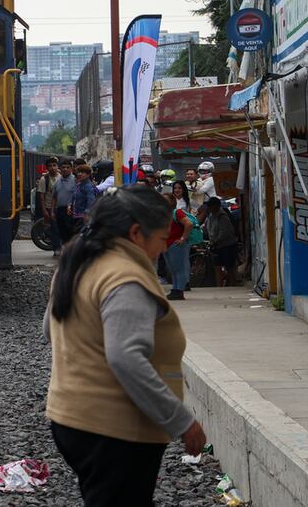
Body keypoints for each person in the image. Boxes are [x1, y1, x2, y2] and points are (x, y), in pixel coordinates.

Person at [46, 185, 206, 505]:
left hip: (72, 418)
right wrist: (182, 422)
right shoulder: (125, 279)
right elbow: (126, 359)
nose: (163, 249)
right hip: (114, 429)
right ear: (136, 233)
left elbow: (50, 329)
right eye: (162, 238)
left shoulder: (79, 261)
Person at [164, 184, 195, 301]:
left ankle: (179, 290)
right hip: (167, 244)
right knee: (173, 269)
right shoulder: (164, 214)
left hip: (176, 244)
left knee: (179, 269)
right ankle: (175, 289)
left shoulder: (177, 213)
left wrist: (183, 238)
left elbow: (189, 223)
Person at [204, 198, 237, 288]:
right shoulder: (211, 216)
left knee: (229, 267)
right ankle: (219, 286)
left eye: (210, 206)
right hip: (216, 246)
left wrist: (216, 240)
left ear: (216, 206)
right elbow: (208, 228)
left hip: (227, 245)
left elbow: (225, 232)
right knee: (217, 266)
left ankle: (232, 285)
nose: (209, 208)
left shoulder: (223, 216)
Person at [37, 158, 62, 256]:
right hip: (49, 206)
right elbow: (42, 196)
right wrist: (44, 210)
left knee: (62, 228)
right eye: (50, 166)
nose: (52, 168)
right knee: (55, 228)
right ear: (47, 168)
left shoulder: (61, 177)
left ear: (57, 166)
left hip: (61, 206)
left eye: (54, 165)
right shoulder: (44, 179)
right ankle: (56, 249)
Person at [51, 160, 77, 246]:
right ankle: (65, 250)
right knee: (62, 232)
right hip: (60, 210)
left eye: (68, 167)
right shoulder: (57, 182)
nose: (65, 169)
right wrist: (52, 211)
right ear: (60, 169)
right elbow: (54, 197)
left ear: (71, 169)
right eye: (63, 167)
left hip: (71, 210)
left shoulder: (76, 181)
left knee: (71, 232)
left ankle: (72, 251)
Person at [70, 164, 97, 228]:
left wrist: (87, 214)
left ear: (88, 174)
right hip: (76, 215)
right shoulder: (79, 184)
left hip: (83, 217)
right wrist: (70, 205)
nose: (79, 174)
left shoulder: (88, 186)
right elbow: (75, 198)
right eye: (78, 172)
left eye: (82, 172)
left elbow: (91, 202)